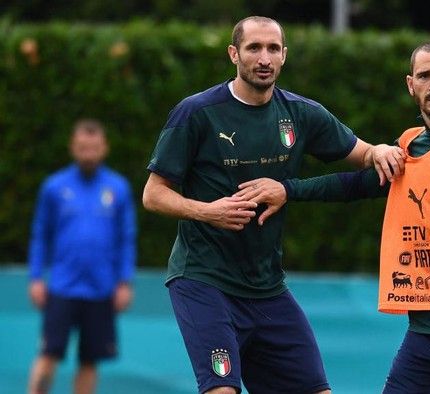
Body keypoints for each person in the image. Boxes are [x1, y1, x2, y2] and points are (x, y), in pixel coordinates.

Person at [237, 40, 430, 394]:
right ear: (411, 85)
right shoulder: (410, 145)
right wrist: (288, 190)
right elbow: (355, 185)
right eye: (425, 75)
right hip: (428, 331)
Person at [141, 16, 403, 394]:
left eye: (272, 49)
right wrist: (208, 211)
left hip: (267, 287)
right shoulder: (196, 112)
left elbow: (362, 153)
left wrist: (380, 150)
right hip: (204, 280)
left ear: (284, 57)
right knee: (222, 390)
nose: (264, 58)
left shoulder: (301, 113)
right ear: (234, 54)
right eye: (253, 48)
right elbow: (154, 193)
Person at [27, 119, 136, 394]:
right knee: (48, 353)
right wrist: (36, 277)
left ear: (104, 148)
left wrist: (124, 282)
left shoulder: (118, 188)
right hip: (62, 287)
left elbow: (126, 238)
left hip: (101, 289)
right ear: (73, 148)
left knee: (90, 361)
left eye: (94, 147)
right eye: (82, 147)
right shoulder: (54, 187)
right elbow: (40, 235)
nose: (88, 153)